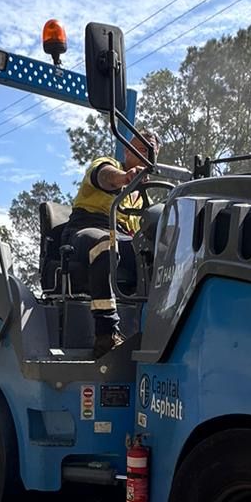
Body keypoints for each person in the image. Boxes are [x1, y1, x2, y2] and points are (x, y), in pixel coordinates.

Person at [64, 132, 159, 358]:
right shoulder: (109, 165)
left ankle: (158, 329)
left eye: (152, 151)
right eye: (142, 149)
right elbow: (104, 175)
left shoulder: (144, 197)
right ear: (127, 151)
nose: (148, 155)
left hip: (126, 237)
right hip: (88, 228)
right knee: (107, 243)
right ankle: (105, 334)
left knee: (161, 253)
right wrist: (125, 177)